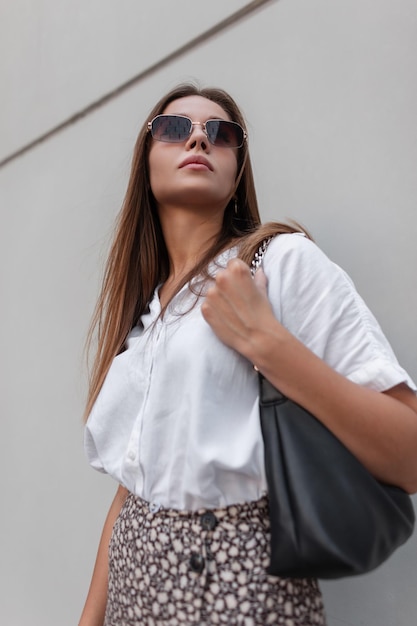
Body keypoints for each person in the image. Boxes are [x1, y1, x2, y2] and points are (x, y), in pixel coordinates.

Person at [78, 83, 417, 626]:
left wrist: (267, 344)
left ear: (237, 173)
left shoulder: (279, 263)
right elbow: (131, 494)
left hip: (236, 590)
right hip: (131, 596)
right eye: (173, 129)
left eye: (221, 134)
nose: (198, 139)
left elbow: (409, 454)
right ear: (145, 162)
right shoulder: (145, 314)